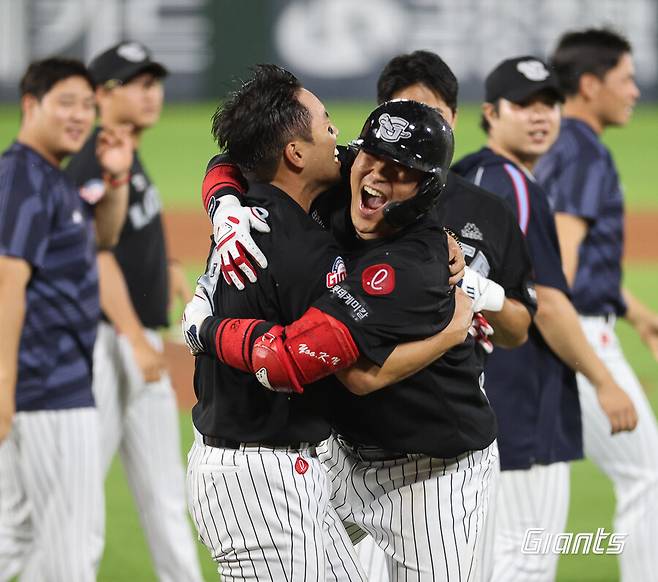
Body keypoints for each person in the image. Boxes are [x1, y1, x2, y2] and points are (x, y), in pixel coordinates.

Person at [186, 90, 500, 579]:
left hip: (431, 470)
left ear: (426, 190)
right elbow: (241, 154)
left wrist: (204, 329)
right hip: (337, 456)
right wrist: (224, 202)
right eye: (371, 156)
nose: (376, 174)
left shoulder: (413, 265)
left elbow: (352, 376)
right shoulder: (336, 176)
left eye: (400, 171)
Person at [351, 49, 539, 582]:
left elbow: (520, 326)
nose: (410, 131)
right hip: (352, 441)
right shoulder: (349, 193)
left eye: (428, 114)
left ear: (453, 120)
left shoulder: (487, 212)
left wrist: (476, 290)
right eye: (398, 113)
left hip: (448, 434)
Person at [453, 56, 637, 581]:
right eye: (526, 105)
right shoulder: (514, 186)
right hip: (517, 391)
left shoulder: (470, 172)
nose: (542, 116)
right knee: (524, 555)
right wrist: (604, 381)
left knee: (490, 553)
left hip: (477, 389)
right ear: (492, 112)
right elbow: (551, 302)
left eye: (550, 104)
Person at [64, 41, 203, 582]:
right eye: (137, 83)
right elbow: (94, 258)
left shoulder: (126, 152)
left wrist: (166, 260)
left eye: (154, 82)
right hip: (101, 345)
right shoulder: (93, 159)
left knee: (165, 492)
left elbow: (132, 227)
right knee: (75, 497)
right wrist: (134, 336)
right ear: (102, 94)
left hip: (132, 342)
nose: (152, 94)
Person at [0, 58, 131, 581]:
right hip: (47, 389)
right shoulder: (23, 179)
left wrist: (116, 178)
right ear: (31, 105)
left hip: (46, 389)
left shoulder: (48, 179)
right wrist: (5, 386)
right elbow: (7, 282)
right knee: (68, 556)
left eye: (87, 106)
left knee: (18, 538)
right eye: (67, 103)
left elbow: (103, 238)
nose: (80, 116)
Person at [535, 28, 658, 581]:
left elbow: (581, 264)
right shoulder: (584, 155)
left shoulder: (560, 145)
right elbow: (561, 263)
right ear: (589, 85)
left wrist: (634, 311)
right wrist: (597, 372)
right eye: (625, 79)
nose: (635, 90)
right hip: (576, 336)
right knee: (646, 476)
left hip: (570, 330)